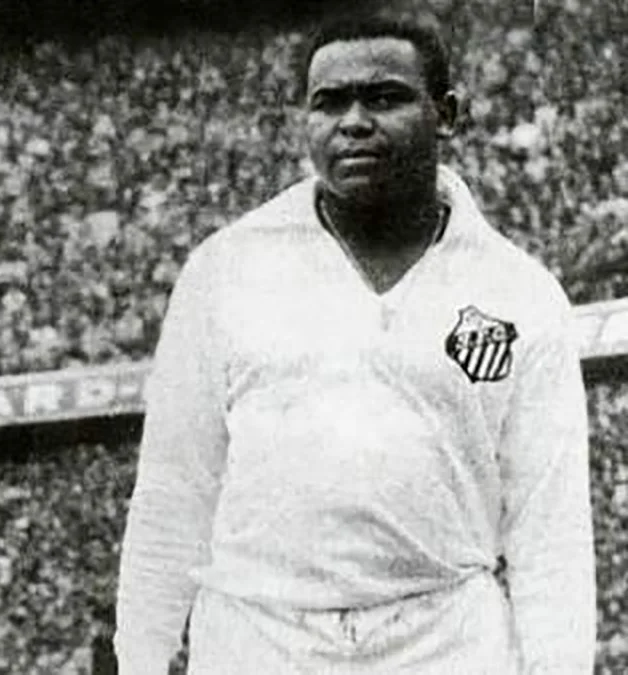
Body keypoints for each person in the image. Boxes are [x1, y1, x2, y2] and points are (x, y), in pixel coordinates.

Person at [115, 15, 595, 674]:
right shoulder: (225, 269)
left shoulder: (519, 291)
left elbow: (550, 524)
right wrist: (139, 658)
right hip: (258, 636)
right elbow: (174, 488)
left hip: (445, 638)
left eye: (385, 97)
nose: (354, 122)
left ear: (447, 114)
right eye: (329, 103)